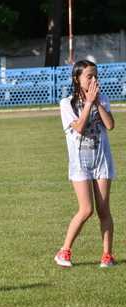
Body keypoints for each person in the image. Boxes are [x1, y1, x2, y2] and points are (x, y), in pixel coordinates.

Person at [54, 60, 116, 268]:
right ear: (77, 79)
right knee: (86, 209)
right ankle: (64, 252)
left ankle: (107, 255)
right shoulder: (67, 104)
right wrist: (88, 103)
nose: (94, 80)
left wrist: (97, 102)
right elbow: (79, 128)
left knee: (103, 210)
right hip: (80, 162)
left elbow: (110, 125)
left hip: (101, 160)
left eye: (96, 76)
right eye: (89, 76)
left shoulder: (102, 98)